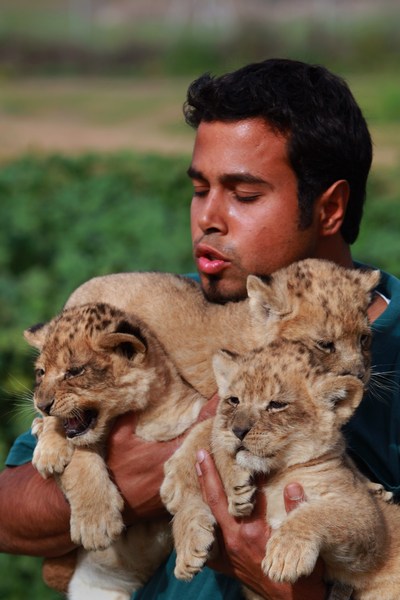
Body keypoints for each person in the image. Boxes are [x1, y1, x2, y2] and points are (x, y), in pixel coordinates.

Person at [1, 58, 400, 600]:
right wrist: (149, 469)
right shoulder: (154, 321)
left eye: (244, 194)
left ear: (329, 208)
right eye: (199, 188)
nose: (208, 218)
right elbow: (9, 512)